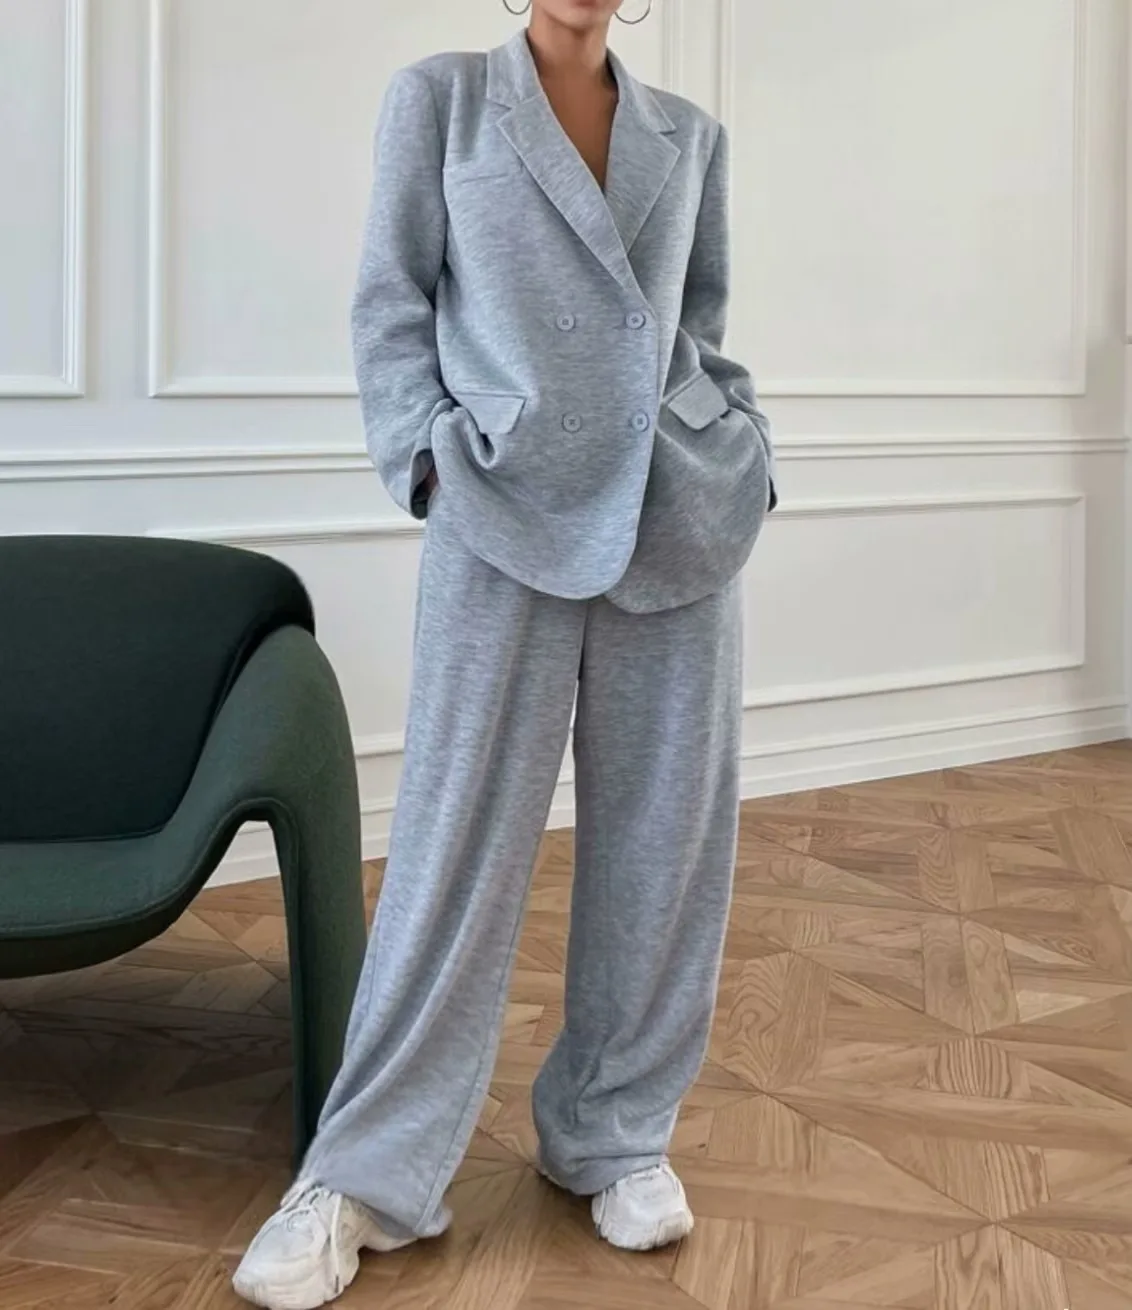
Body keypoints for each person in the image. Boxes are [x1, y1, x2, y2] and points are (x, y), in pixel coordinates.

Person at [234, 0, 774, 1305]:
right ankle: (366, 1170)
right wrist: (426, 458)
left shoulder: (690, 134)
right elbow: (390, 299)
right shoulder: (442, 100)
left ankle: (614, 1132)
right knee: (451, 848)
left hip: (676, 522)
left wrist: (746, 456)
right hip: (499, 510)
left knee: (667, 848)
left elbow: (699, 328)